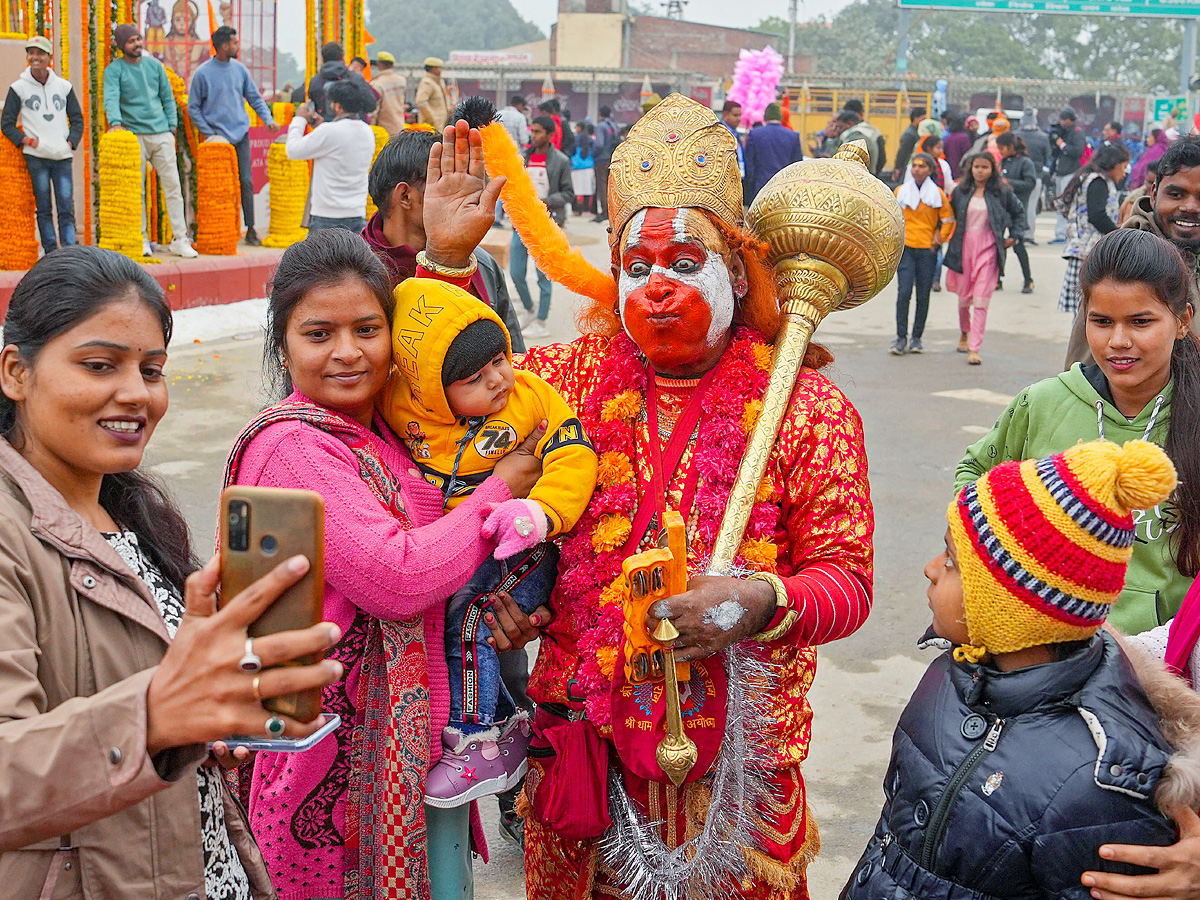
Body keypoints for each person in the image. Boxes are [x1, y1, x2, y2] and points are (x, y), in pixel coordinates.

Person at [489, 92, 873, 900]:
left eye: (685, 264)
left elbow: (849, 584)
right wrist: (449, 267)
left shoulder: (806, 407)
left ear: (738, 269)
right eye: (638, 267)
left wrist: (757, 600)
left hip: (738, 764)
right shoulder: (565, 380)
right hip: (585, 750)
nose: (658, 286)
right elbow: (447, 426)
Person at [0, 245, 341, 899]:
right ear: (16, 372)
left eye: (151, 369)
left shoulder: (133, 513)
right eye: (99, 365)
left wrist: (208, 724)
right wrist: (156, 716)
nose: (135, 394)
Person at [226, 229, 547, 900]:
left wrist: (494, 608)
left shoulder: (378, 433)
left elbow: (442, 507)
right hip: (330, 767)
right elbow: (397, 577)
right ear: (282, 345)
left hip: (409, 753)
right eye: (319, 335)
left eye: (367, 329)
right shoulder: (295, 448)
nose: (347, 352)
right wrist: (502, 492)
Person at [844, 438, 1190, 900]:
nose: (930, 569)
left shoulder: (1097, 786)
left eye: (951, 561)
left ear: (1009, 607)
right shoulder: (951, 674)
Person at [380, 278, 597, 808]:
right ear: (432, 390)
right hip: (461, 546)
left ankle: (474, 735)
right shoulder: (402, 409)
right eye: (476, 379)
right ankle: (505, 730)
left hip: (526, 546)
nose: (499, 379)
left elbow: (574, 455)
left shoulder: (531, 400)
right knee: (457, 619)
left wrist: (540, 512)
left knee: (472, 617)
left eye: (501, 359)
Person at [957, 227, 1198, 634]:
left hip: (1167, 665)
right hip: (1049, 650)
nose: (1118, 341)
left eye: (1141, 322)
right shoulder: (1043, 403)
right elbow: (973, 476)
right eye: (1101, 322)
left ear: (1182, 321)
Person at [363, 126, 524, 349]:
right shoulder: (356, 274)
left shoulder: (481, 264)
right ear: (405, 196)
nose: (467, 201)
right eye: (447, 186)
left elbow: (514, 358)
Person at [1064, 136, 1200, 369]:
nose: (1189, 207)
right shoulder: (1122, 260)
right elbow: (1085, 371)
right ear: (1154, 194)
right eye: (1176, 195)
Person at [103, 24, 197, 259]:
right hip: (133, 136)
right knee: (139, 190)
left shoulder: (154, 66)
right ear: (122, 45)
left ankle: (180, 239)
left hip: (161, 133)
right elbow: (112, 97)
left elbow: (167, 96)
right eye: (131, 41)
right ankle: (141, 238)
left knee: (173, 187)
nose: (137, 44)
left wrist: (172, 127)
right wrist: (115, 123)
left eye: (138, 39)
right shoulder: (115, 70)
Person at [187, 26, 278, 247]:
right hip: (217, 141)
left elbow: (255, 99)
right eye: (235, 43)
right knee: (221, 186)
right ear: (224, 45)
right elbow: (193, 108)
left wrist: (268, 119)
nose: (238, 46)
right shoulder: (202, 73)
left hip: (240, 135)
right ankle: (223, 230)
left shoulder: (240, 70)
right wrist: (210, 133)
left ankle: (251, 230)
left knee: (246, 181)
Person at [1, 35, 83, 254]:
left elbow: (77, 118)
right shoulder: (18, 88)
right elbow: (6, 123)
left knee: (66, 206)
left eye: (40, 53)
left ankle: (69, 251)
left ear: (49, 57)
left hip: (62, 156)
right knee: (44, 207)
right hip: (36, 156)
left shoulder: (64, 87)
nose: (35, 57)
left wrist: (71, 142)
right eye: (31, 53)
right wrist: (25, 140)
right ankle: (50, 252)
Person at [944, 153, 1026, 364]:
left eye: (985, 167)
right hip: (963, 248)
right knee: (964, 299)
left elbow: (1019, 212)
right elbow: (945, 215)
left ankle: (974, 347)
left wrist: (1014, 237)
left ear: (992, 170)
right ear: (970, 169)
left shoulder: (1002, 193)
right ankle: (964, 332)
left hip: (989, 248)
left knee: (981, 299)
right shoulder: (960, 192)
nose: (980, 171)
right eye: (976, 167)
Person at [509, 115, 572, 340]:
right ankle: (529, 309)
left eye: (537, 132)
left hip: (546, 222)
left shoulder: (561, 161)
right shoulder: (523, 157)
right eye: (531, 131)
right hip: (521, 221)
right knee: (516, 273)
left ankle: (542, 319)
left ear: (548, 134)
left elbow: (568, 193)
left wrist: (544, 200)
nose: (532, 135)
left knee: (542, 275)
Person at [285, 79, 374, 233]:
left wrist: (299, 119)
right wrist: (322, 127)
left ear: (338, 106)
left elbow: (293, 150)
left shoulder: (328, 131)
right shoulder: (367, 132)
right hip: (356, 213)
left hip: (326, 216)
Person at [1056, 142, 1131, 319]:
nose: (1124, 172)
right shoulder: (1097, 182)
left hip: (1087, 250)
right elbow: (1097, 216)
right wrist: (1118, 234)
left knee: (1087, 310)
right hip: (1087, 252)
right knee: (1085, 311)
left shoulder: (1098, 180)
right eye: (1124, 167)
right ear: (1114, 164)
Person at [891, 153, 955, 355]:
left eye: (922, 166)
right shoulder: (901, 191)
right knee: (904, 292)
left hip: (927, 249)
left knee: (923, 294)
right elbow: (889, 216)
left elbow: (948, 219)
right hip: (906, 248)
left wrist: (940, 239)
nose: (917, 169)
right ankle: (901, 337)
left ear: (930, 170)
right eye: (914, 165)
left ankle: (916, 337)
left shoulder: (937, 194)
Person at [996, 131, 1038, 293]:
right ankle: (997, 278)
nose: (1001, 152)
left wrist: (1010, 183)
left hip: (1017, 208)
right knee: (998, 243)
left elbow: (1030, 183)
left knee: (1018, 245)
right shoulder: (1003, 162)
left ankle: (1028, 279)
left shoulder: (1025, 163)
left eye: (1003, 148)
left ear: (1011, 147)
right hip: (1001, 209)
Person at [743, 101, 803, 203]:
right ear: (780, 118)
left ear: (766, 118)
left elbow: (750, 167)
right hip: (784, 192)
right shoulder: (793, 136)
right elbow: (797, 166)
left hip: (760, 190)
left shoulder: (754, 135)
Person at [1050, 107, 1086, 243]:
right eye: (1061, 119)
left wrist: (1062, 145)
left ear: (1072, 120)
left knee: (1066, 202)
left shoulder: (1077, 133)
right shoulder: (1063, 131)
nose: (1062, 122)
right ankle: (1060, 233)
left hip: (1071, 171)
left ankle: (1064, 233)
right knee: (1060, 202)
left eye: (1065, 120)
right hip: (1061, 171)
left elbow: (1077, 151)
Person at [1017, 107, 1051, 240]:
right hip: (1036, 175)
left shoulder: (1016, 135)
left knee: (1017, 205)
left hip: (1017, 176)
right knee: (1031, 206)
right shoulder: (1043, 137)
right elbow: (1048, 155)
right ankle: (1029, 233)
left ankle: (1017, 232)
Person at [591, 104, 619, 223]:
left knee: (602, 186)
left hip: (602, 159)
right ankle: (613, 211)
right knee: (611, 186)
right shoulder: (615, 126)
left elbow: (599, 144)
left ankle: (604, 211)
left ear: (600, 114)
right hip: (613, 158)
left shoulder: (601, 126)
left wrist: (595, 154)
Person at [307, 42, 349, 119]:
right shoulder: (353, 77)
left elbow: (312, 105)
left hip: (324, 126)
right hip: (350, 126)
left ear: (323, 59)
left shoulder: (315, 81)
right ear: (342, 56)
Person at [837, 108, 884, 175]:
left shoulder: (853, 137)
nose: (838, 130)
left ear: (849, 124)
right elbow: (882, 158)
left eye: (840, 127)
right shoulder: (872, 130)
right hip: (870, 175)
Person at [369, 51, 406, 136]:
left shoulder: (377, 84)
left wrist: (372, 128)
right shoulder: (401, 81)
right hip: (399, 125)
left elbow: (374, 110)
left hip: (384, 130)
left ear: (379, 65)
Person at [891, 106, 925, 183]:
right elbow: (902, 153)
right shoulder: (910, 134)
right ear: (915, 119)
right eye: (922, 119)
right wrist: (898, 168)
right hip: (906, 168)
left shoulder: (917, 132)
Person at [416, 57, 451, 132]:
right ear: (433, 69)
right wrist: (432, 118)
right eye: (438, 68)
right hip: (431, 125)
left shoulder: (439, 82)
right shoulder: (427, 83)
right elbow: (421, 102)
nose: (440, 70)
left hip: (441, 123)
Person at [1119, 160, 1157, 224]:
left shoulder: (1164, 206)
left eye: (1155, 183)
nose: (1152, 187)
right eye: (1149, 182)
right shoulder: (1131, 199)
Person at [570, 122, 595, 215]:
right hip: (588, 165)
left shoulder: (576, 138)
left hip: (577, 165)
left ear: (579, 128)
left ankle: (576, 210)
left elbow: (572, 150)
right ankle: (586, 210)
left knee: (575, 188)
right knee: (587, 188)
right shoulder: (590, 138)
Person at [943, 111, 973, 178]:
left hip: (950, 170)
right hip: (960, 171)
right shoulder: (964, 137)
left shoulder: (949, 137)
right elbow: (967, 154)